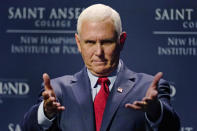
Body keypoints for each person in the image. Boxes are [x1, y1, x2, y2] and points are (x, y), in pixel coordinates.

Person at [21, 4, 180, 131]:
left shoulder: (148, 88)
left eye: (106, 42)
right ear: (78, 43)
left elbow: (172, 127)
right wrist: (46, 113)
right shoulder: (57, 91)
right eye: (90, 42)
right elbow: (28, 128)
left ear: (121, 41)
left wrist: (155, 112)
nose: (98, 52)